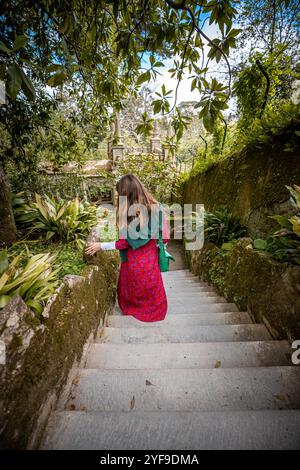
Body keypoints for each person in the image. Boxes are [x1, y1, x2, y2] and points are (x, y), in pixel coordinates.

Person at [85, 174, 170, 322]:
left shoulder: (127, 214)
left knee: (131, 290)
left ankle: (135, 310)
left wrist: (100, 245)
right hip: (150, 262)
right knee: (151, 288)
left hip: (133, 262)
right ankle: (155, 311)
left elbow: (123, 243)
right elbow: (166, 236)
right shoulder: (156, 208)